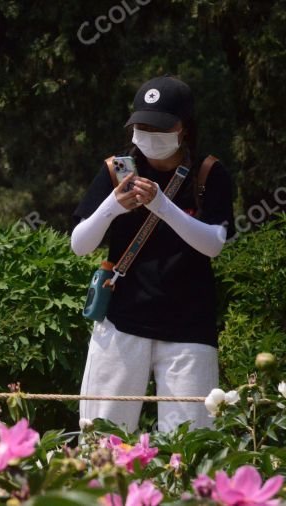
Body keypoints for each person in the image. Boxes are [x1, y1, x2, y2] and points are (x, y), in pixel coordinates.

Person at [71, 76, 234, 432]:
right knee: (102, 438)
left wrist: (162, 205)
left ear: (184, 128)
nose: (148, 135)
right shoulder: (118, 170)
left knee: (190, 445)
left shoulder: (209, 173)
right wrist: (112, 206)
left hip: (189, 328)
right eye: (141, 126)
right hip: (121, 323)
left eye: (159, 127)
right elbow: (80, 243)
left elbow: (214, 244)